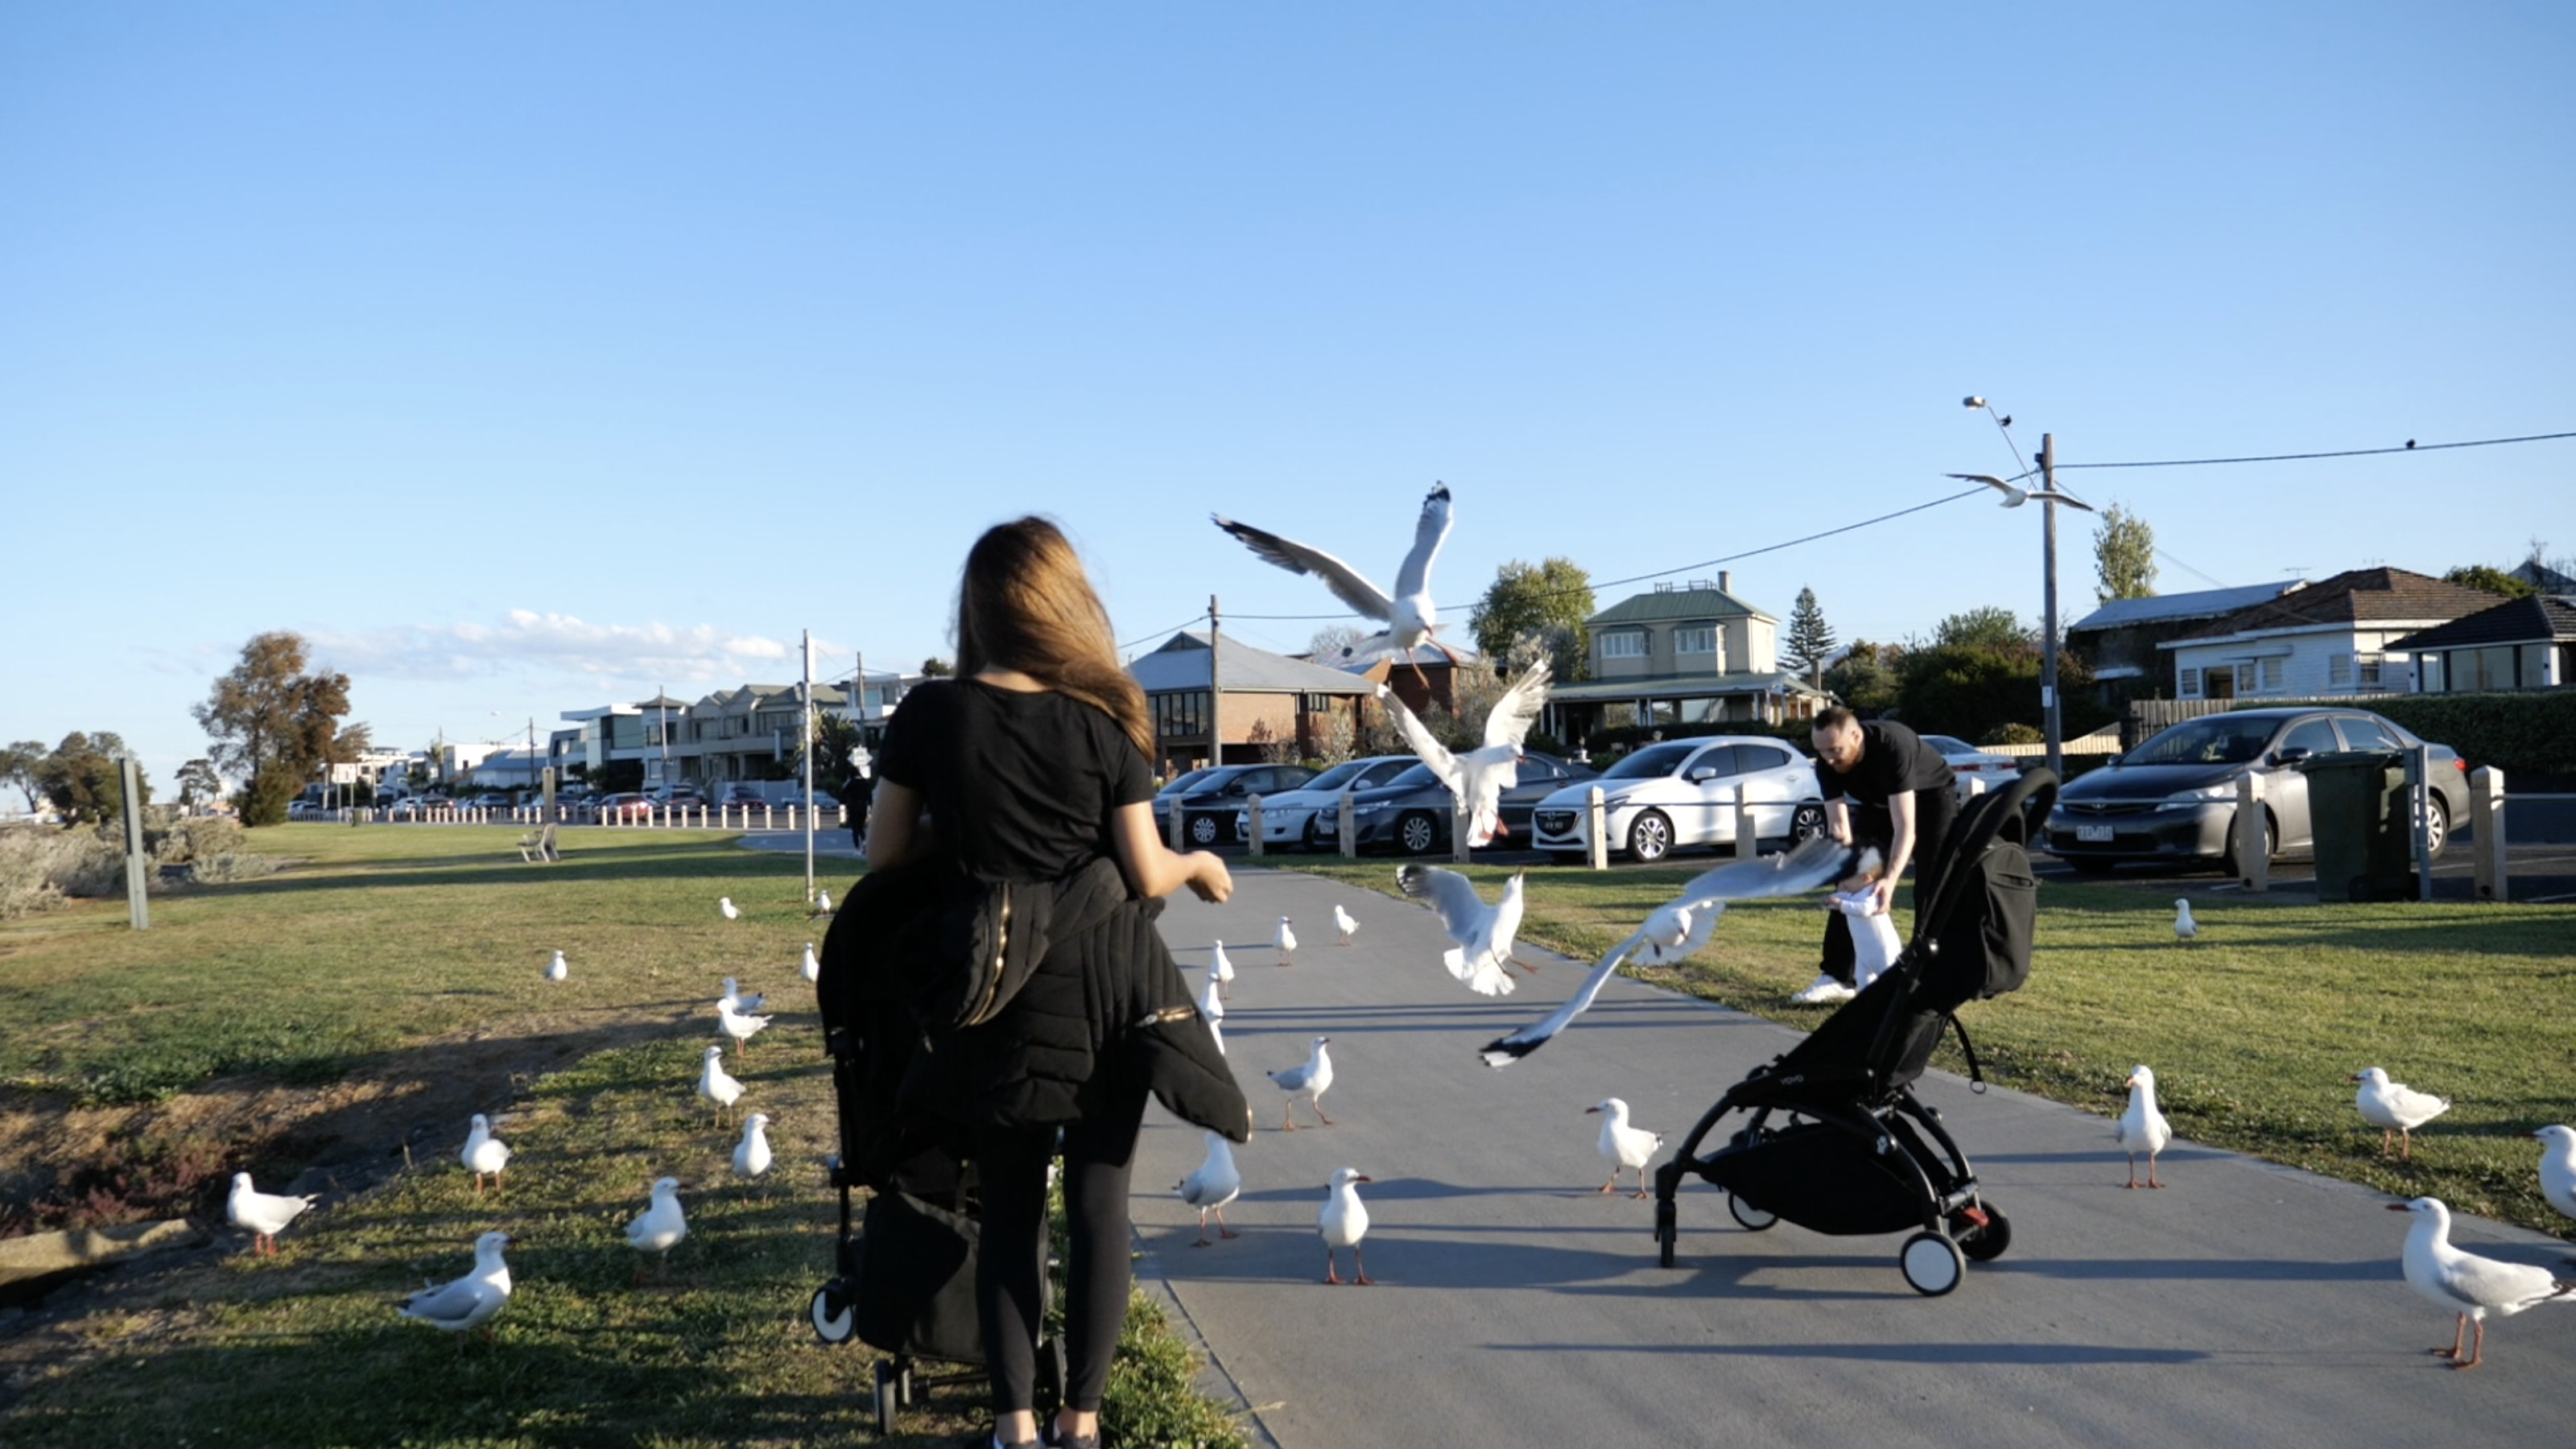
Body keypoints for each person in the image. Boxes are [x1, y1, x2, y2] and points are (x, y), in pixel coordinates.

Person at [865, 518, 1245, 1449]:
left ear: (978, 607)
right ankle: (1083, 1422)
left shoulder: (928, 716)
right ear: (1065, 604)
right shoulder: (1105, 719)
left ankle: (1014, 1426)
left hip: (993, 991)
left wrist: (964, 840)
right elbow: (1145, 873)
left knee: (1009, 1209)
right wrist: (1197, 863)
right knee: (1100, 1208)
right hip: (1107, 994)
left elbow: (882, 856)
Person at [1793, 707, 1958, 1005]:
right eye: (1822, 751)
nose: (1829, 759)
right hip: (1880, 804)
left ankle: (1923, 971)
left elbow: (1906, 828)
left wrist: (1890, 880)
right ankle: (1837, 976)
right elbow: (1840, 826)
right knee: (1850, 883)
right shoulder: (1825, 763)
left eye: (1835, 750)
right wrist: (1847, 873)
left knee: (1931, 882)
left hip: (1931, 797)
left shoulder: (1892, 746)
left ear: (1856, 736)